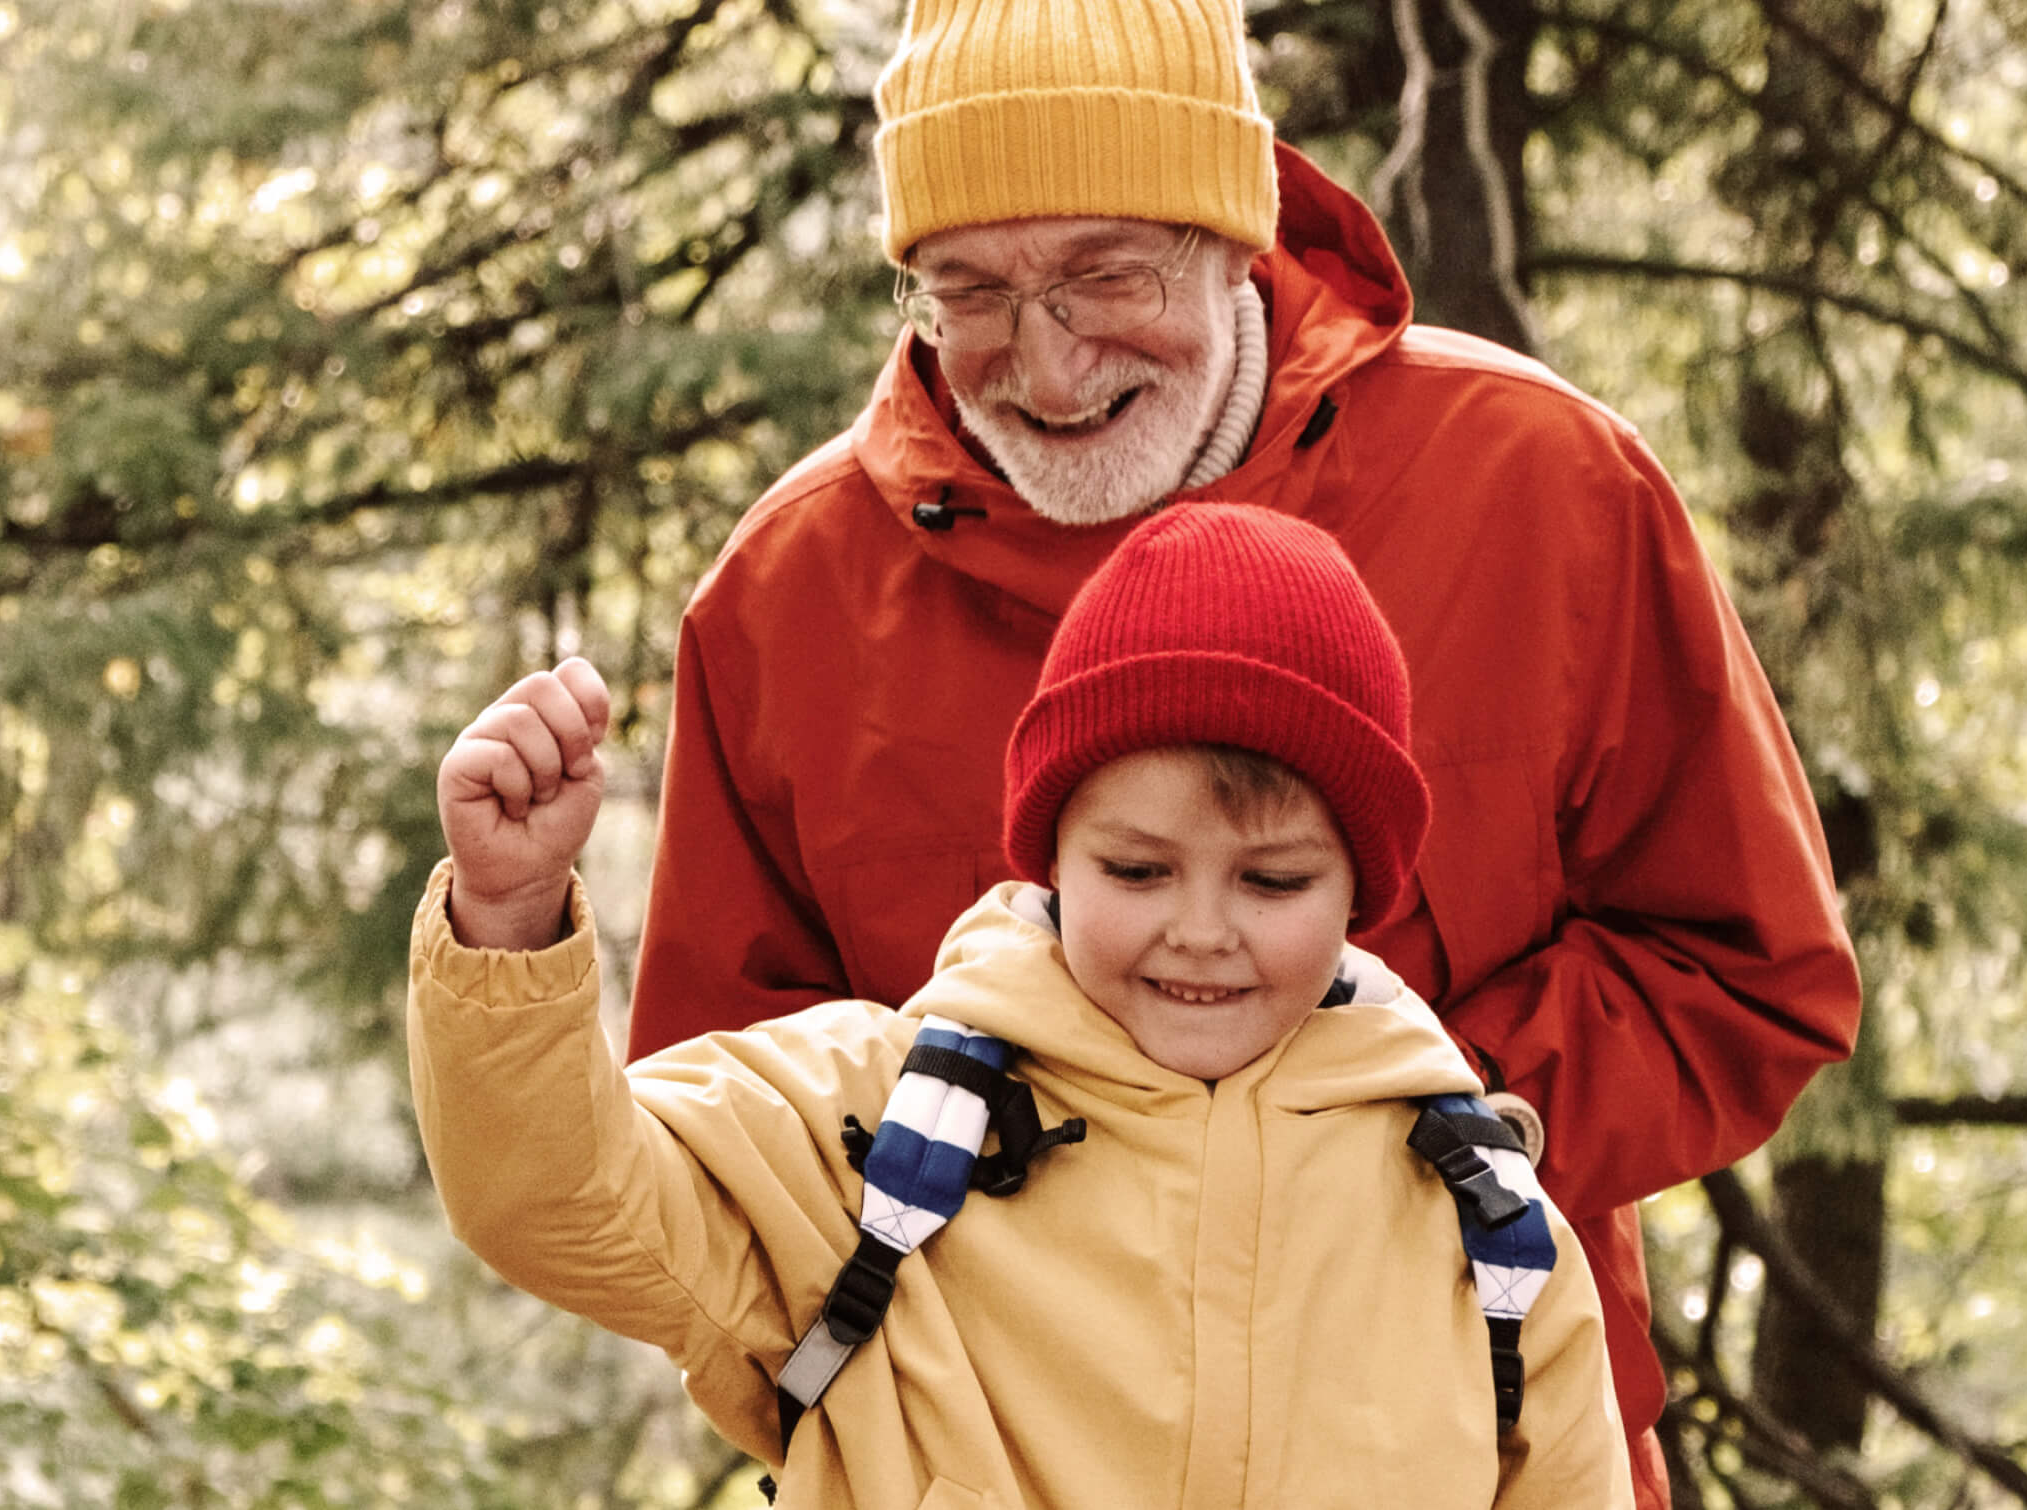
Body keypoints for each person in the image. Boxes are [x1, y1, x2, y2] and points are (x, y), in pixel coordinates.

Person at [624, 0, 1864, 1502]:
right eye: (971, 291)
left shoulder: (1543, 490)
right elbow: (702, 1138)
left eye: (1105, 275)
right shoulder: (787, 598)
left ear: (1235, 227)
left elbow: (1748, 971)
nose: (1050, 365)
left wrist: (1408, 1133)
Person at [413, 505, 1631, 1508]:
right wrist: (509, 916)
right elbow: (552, 1198)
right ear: (1049, 855)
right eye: (1136, 870)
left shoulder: (1483, 1230)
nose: (1198, 930)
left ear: (1363, 883)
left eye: (1271, 880)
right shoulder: (865, 1124)